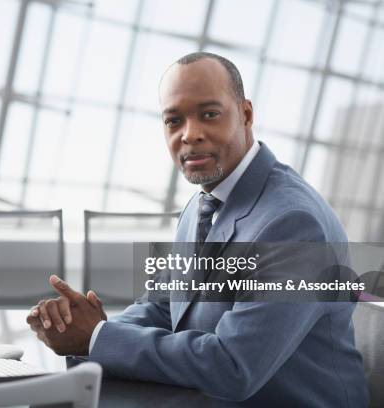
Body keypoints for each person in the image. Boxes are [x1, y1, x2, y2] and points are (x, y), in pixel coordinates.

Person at [26, 52, 368, 406]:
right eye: (174, 121)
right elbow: (163, 305)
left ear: (246, 114)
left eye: (209, 114)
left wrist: (96, 338)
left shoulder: (293, 223)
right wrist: (86, 328)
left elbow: (233, 366)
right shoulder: (203, 203)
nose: (190, 135)